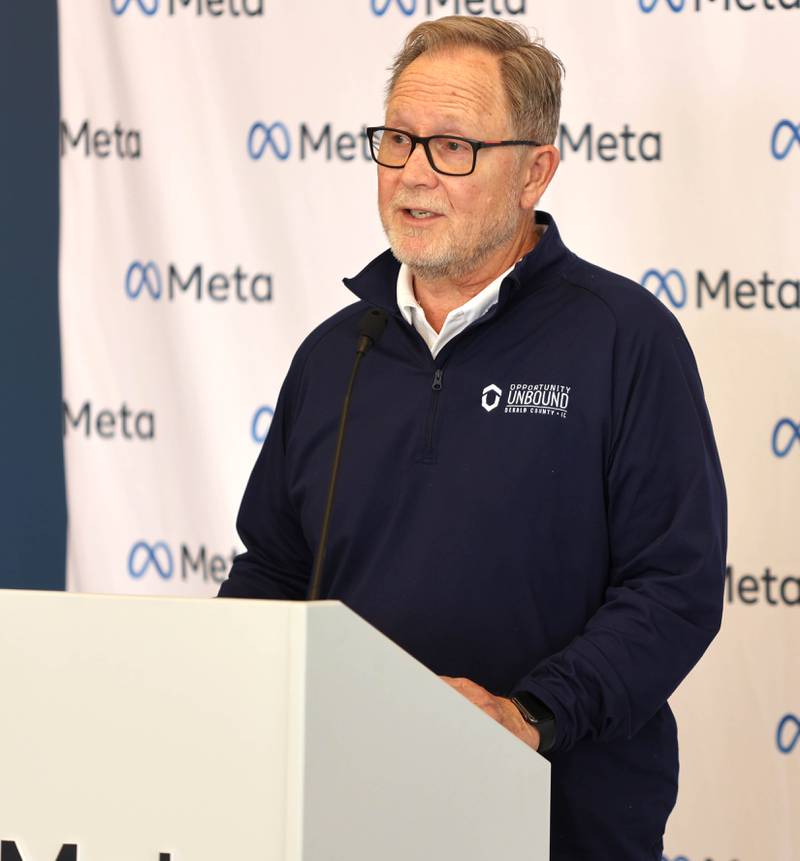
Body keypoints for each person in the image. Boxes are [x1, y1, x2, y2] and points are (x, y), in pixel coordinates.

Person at [218, 16, 726, 860]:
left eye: (452, 145)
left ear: (536, 171)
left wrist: (529, 715)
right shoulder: (335, 355)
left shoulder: (625, 340)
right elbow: (272, 569)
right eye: (397, 141)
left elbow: (673, 587)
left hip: (565, 822)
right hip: (347, 816)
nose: (413, 173)